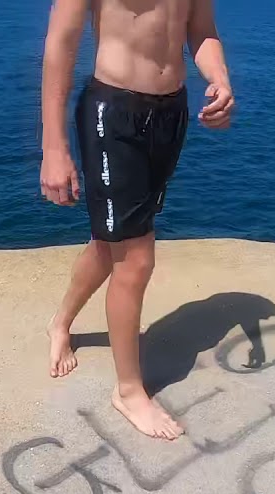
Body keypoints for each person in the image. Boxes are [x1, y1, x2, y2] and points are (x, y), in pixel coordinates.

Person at [40, 0, 234, 440]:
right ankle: (129, 391)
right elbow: (61, 43)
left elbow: (201, 30)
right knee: (137, 257)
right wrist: (54, 148)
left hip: (170, 115)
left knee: (111, 243)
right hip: (114, 113)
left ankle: (60, 323)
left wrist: (219, 80)